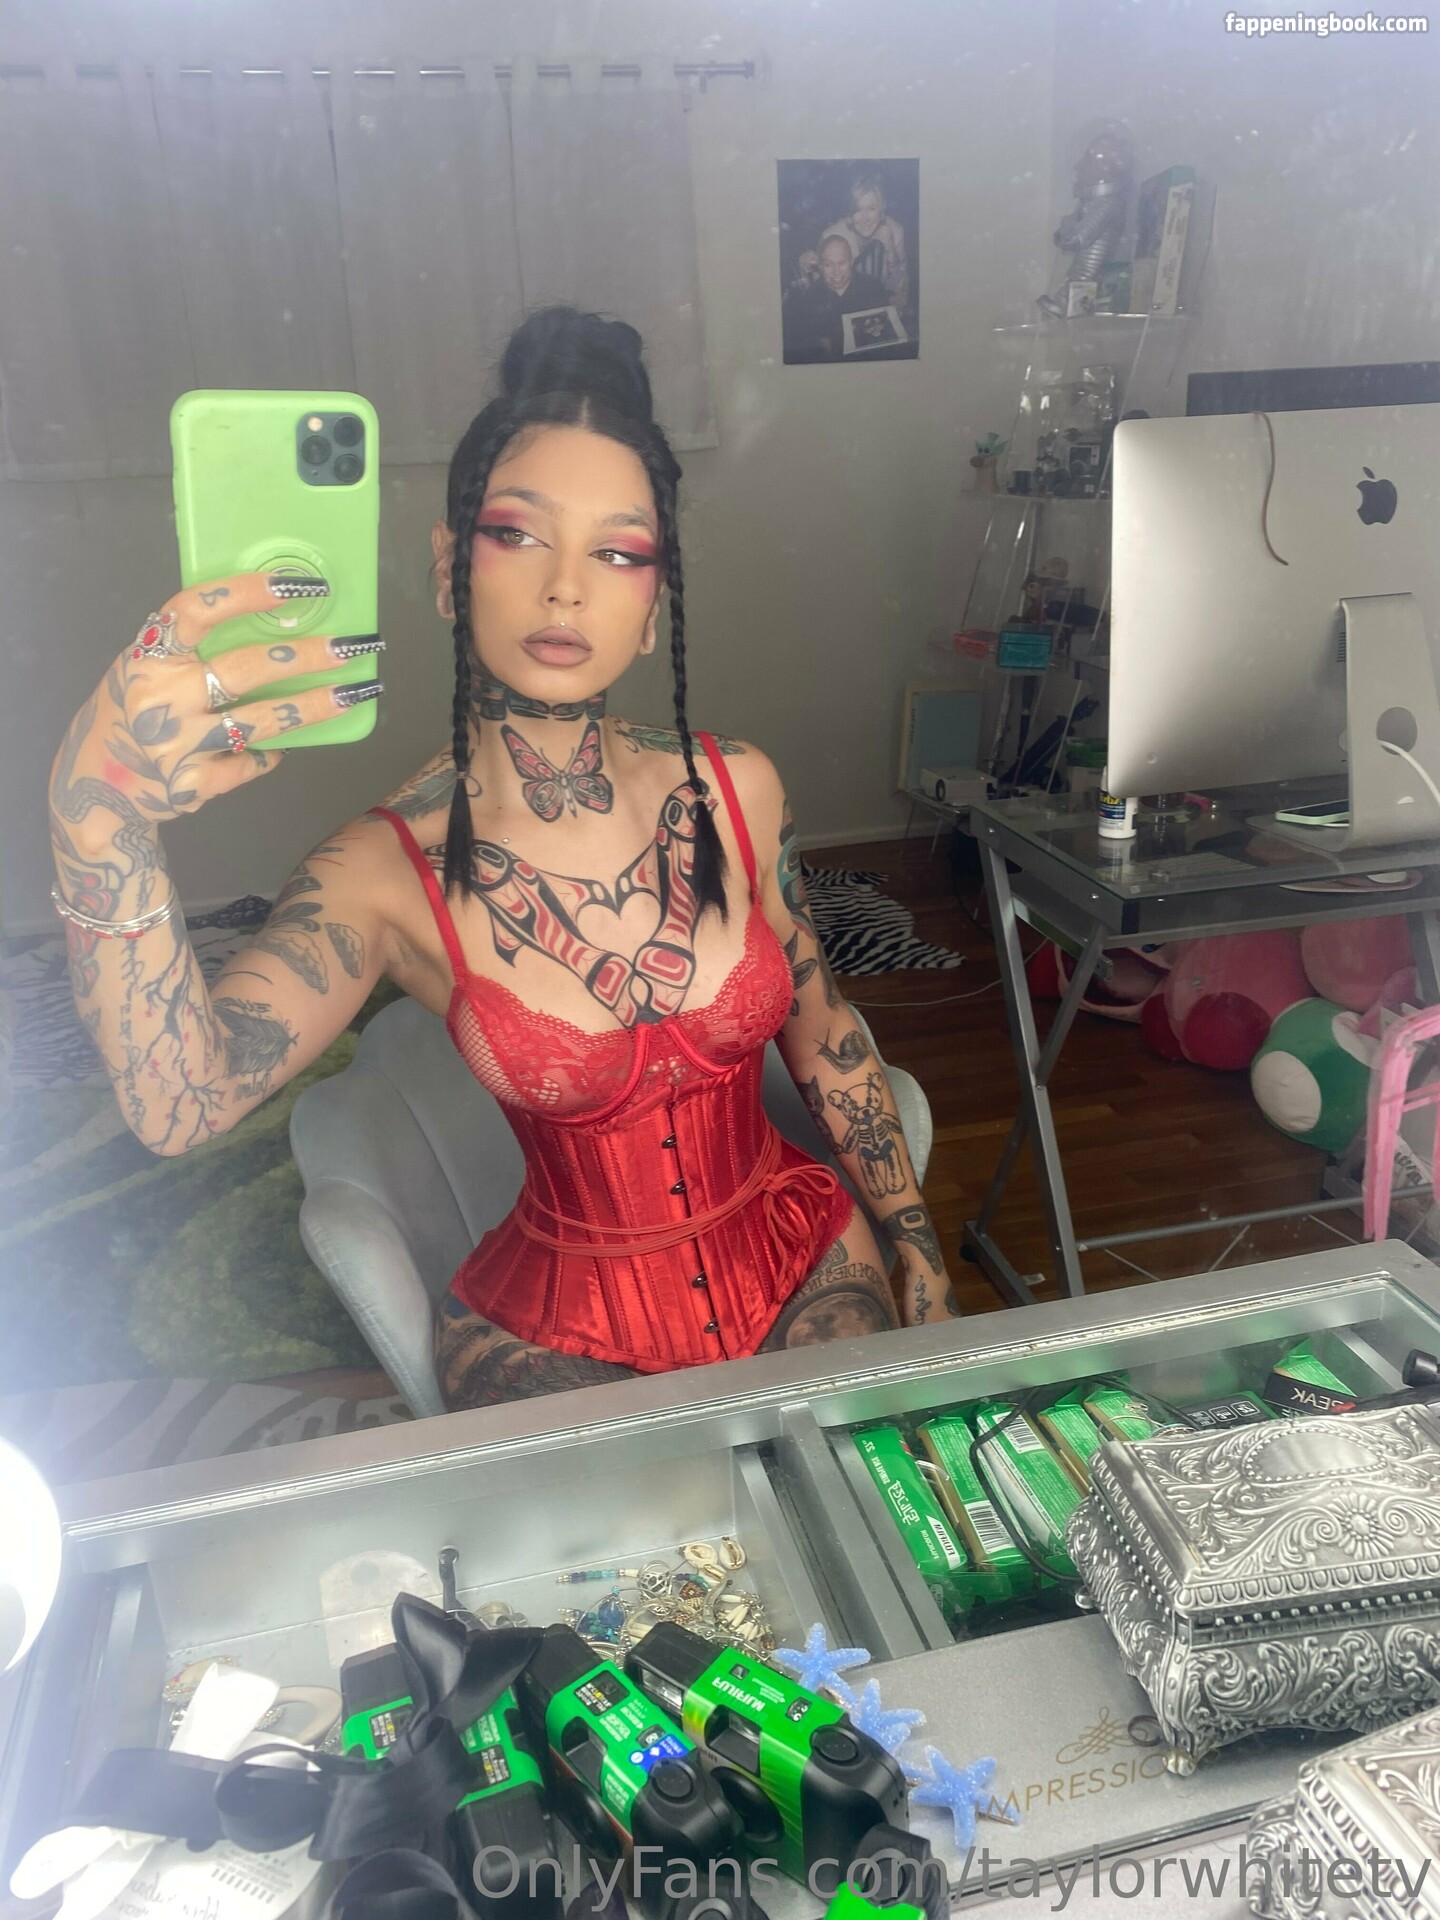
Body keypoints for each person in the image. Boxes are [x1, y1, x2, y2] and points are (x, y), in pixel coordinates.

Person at [48, 307, 959, 1412]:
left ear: (653, 604)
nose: (566, 586)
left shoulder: (739, 789)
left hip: (804, 1254)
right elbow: (177, 1104)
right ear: (449, 569)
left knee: (861, 1480)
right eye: (519, 535)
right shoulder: (378, 873)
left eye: (618, 551)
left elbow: (826, 1030)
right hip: (557, 1328)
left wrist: (917, 1242)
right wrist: (97, 824)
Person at [797, 174, 910, 313]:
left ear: (881, 209)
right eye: (858, 209)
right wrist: (806, 266)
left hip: (878, 302)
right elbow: (818, 285)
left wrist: (890, 250)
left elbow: (898, 289)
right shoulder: (832, 236)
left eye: (871, 208)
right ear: (849, 213)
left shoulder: (895, 231)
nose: (865, 218)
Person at [782, 238, 890, 363]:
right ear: (820, 266)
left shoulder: (873, 288)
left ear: (851, 262)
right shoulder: (809, 298)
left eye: (842, 263)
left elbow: (886, 339)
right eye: (828, 265)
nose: (836, 272)